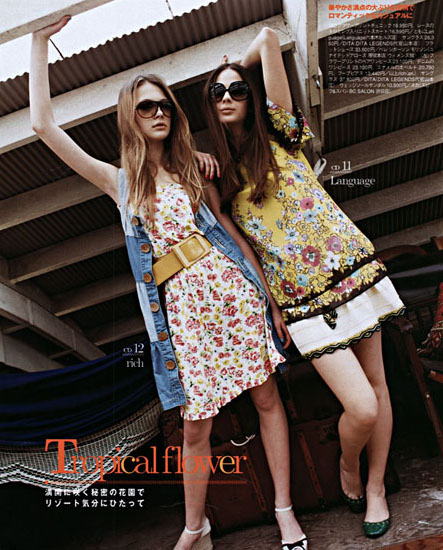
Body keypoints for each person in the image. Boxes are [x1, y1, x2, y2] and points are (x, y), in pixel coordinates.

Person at [30, 16, 308, 550]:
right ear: (129, 118)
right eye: (146, 107)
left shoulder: (192, 170)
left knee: (268, 399)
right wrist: (40, 42)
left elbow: (230, 233)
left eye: (165, 106)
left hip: (233, 294)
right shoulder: (119, 183)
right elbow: (43, 126)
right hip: (184, 314)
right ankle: (195, 529)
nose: (158, 113)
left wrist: (271, 302)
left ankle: (284, 512)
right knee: (196, 427)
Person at [203, 27, 405, 539]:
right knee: (361, 405)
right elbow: (240, 246)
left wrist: (237, 66)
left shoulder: (282, 135)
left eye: (237, 89)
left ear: (251, 96)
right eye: (217, 92)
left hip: (352, 271)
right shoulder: (217, 175)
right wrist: (270, 305)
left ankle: (374, 488)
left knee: (378, 388)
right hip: (300, 301)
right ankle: (347, 464)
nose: (227, 97)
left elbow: (269, 38)